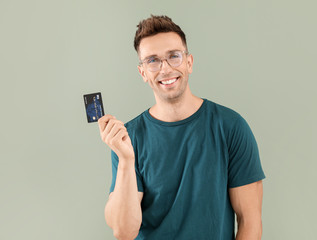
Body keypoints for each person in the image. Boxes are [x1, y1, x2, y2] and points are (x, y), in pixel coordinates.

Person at [98, 15, 266, 240]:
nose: (165, 69)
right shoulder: (129, 138)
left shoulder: (231, 127)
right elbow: (124, 231)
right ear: (143, 73)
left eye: (173, 57)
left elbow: (250, 221)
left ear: (189, 62)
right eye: (153, 61)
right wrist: (126, 160)